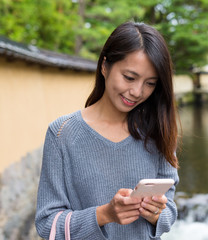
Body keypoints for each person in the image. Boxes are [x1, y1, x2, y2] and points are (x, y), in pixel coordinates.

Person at [35, 21, 179, 240]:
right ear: (104, 66)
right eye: (129, 78)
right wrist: (105, 214)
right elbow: (47, 224)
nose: (137, 92)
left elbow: (169, 213)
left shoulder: (158, 130)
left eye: (150, 83)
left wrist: (156, 214)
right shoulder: (62, 133)